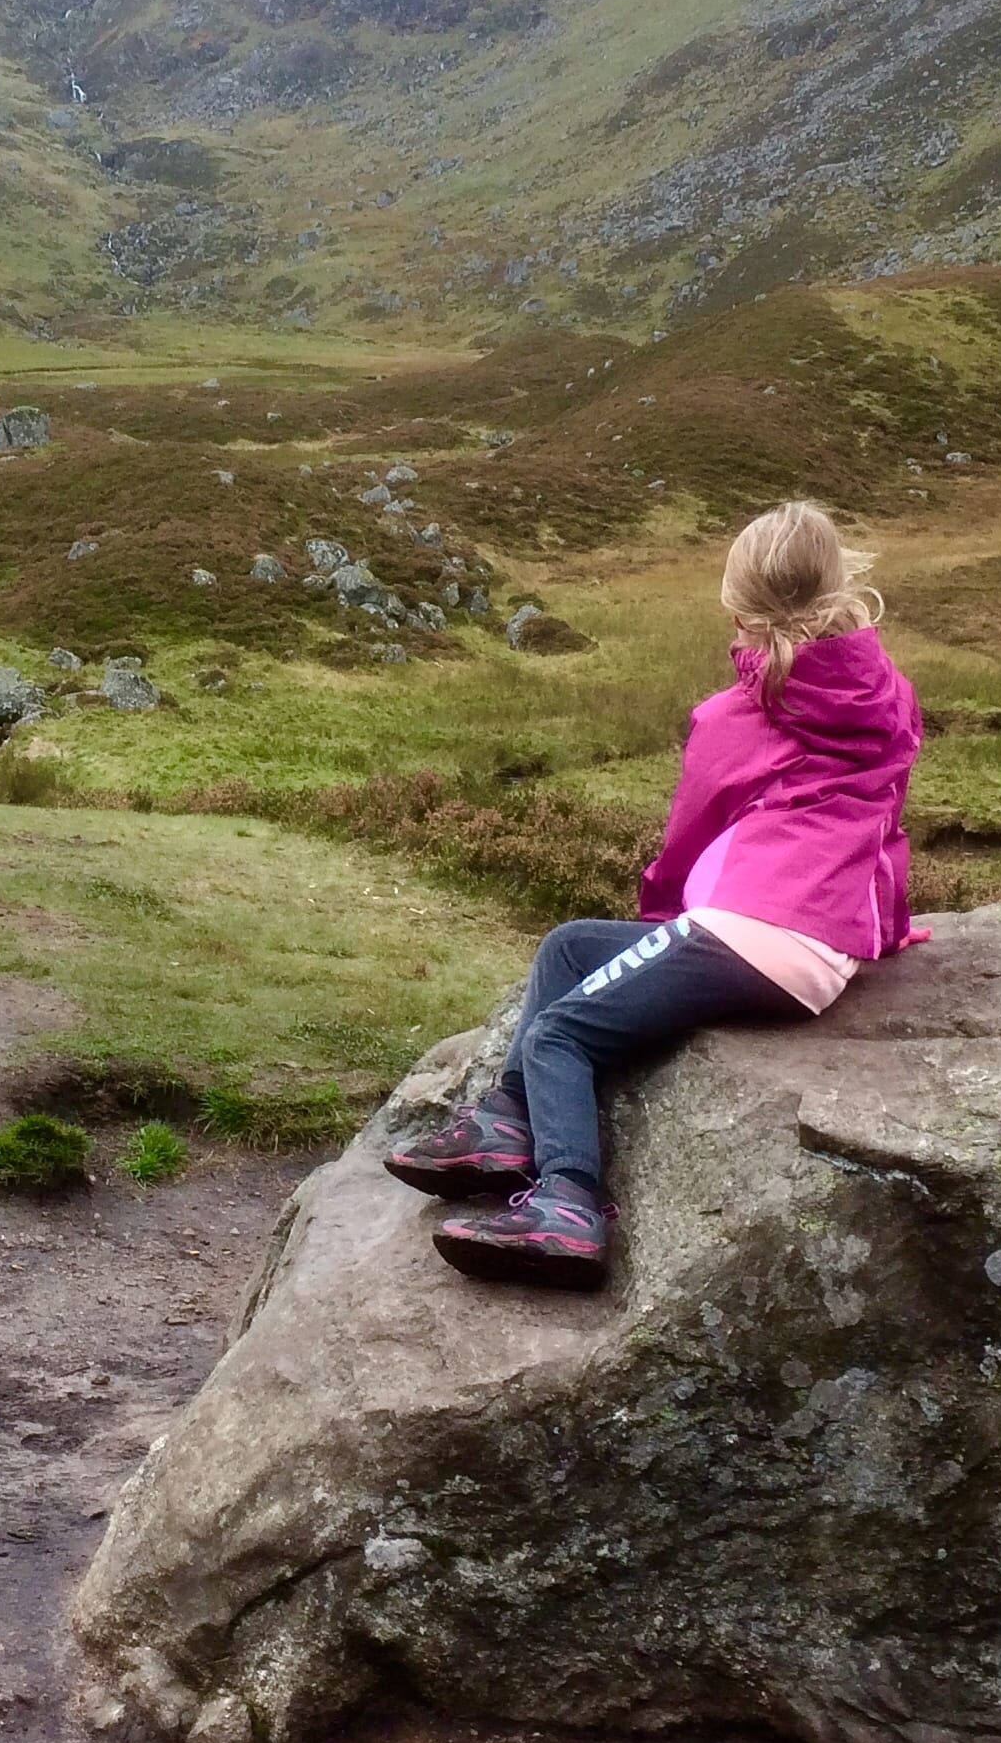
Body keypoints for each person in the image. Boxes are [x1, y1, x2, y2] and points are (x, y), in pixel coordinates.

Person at [387, 500, 922, 1288]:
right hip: (822, 944)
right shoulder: (891, 696)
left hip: (747, 932)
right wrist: (885, 931)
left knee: (559, 1036)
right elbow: (884, 826)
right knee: (570, 946)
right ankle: (505, 1124)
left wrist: (665, 925)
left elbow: (688, 841)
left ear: (737, 612)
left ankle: (567, 1205)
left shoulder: (736, 714)